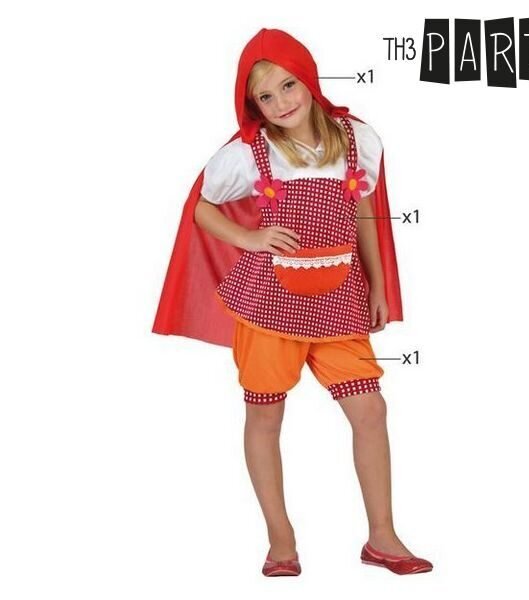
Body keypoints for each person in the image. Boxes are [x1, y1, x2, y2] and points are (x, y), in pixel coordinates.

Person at [152, 28, 432, 577]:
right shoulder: (248, 153)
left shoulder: (356, 139)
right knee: (265, 414)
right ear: (252, 104)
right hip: (269, 305)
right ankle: (281, 540)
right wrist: (250, 237)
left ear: (308, 79)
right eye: (265, 95)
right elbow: (202, 208)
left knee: (370, 409)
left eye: (288, 85)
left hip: (340, 299)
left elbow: (364, 213)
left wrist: (377, 286)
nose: (281, 102)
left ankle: (382, 536)